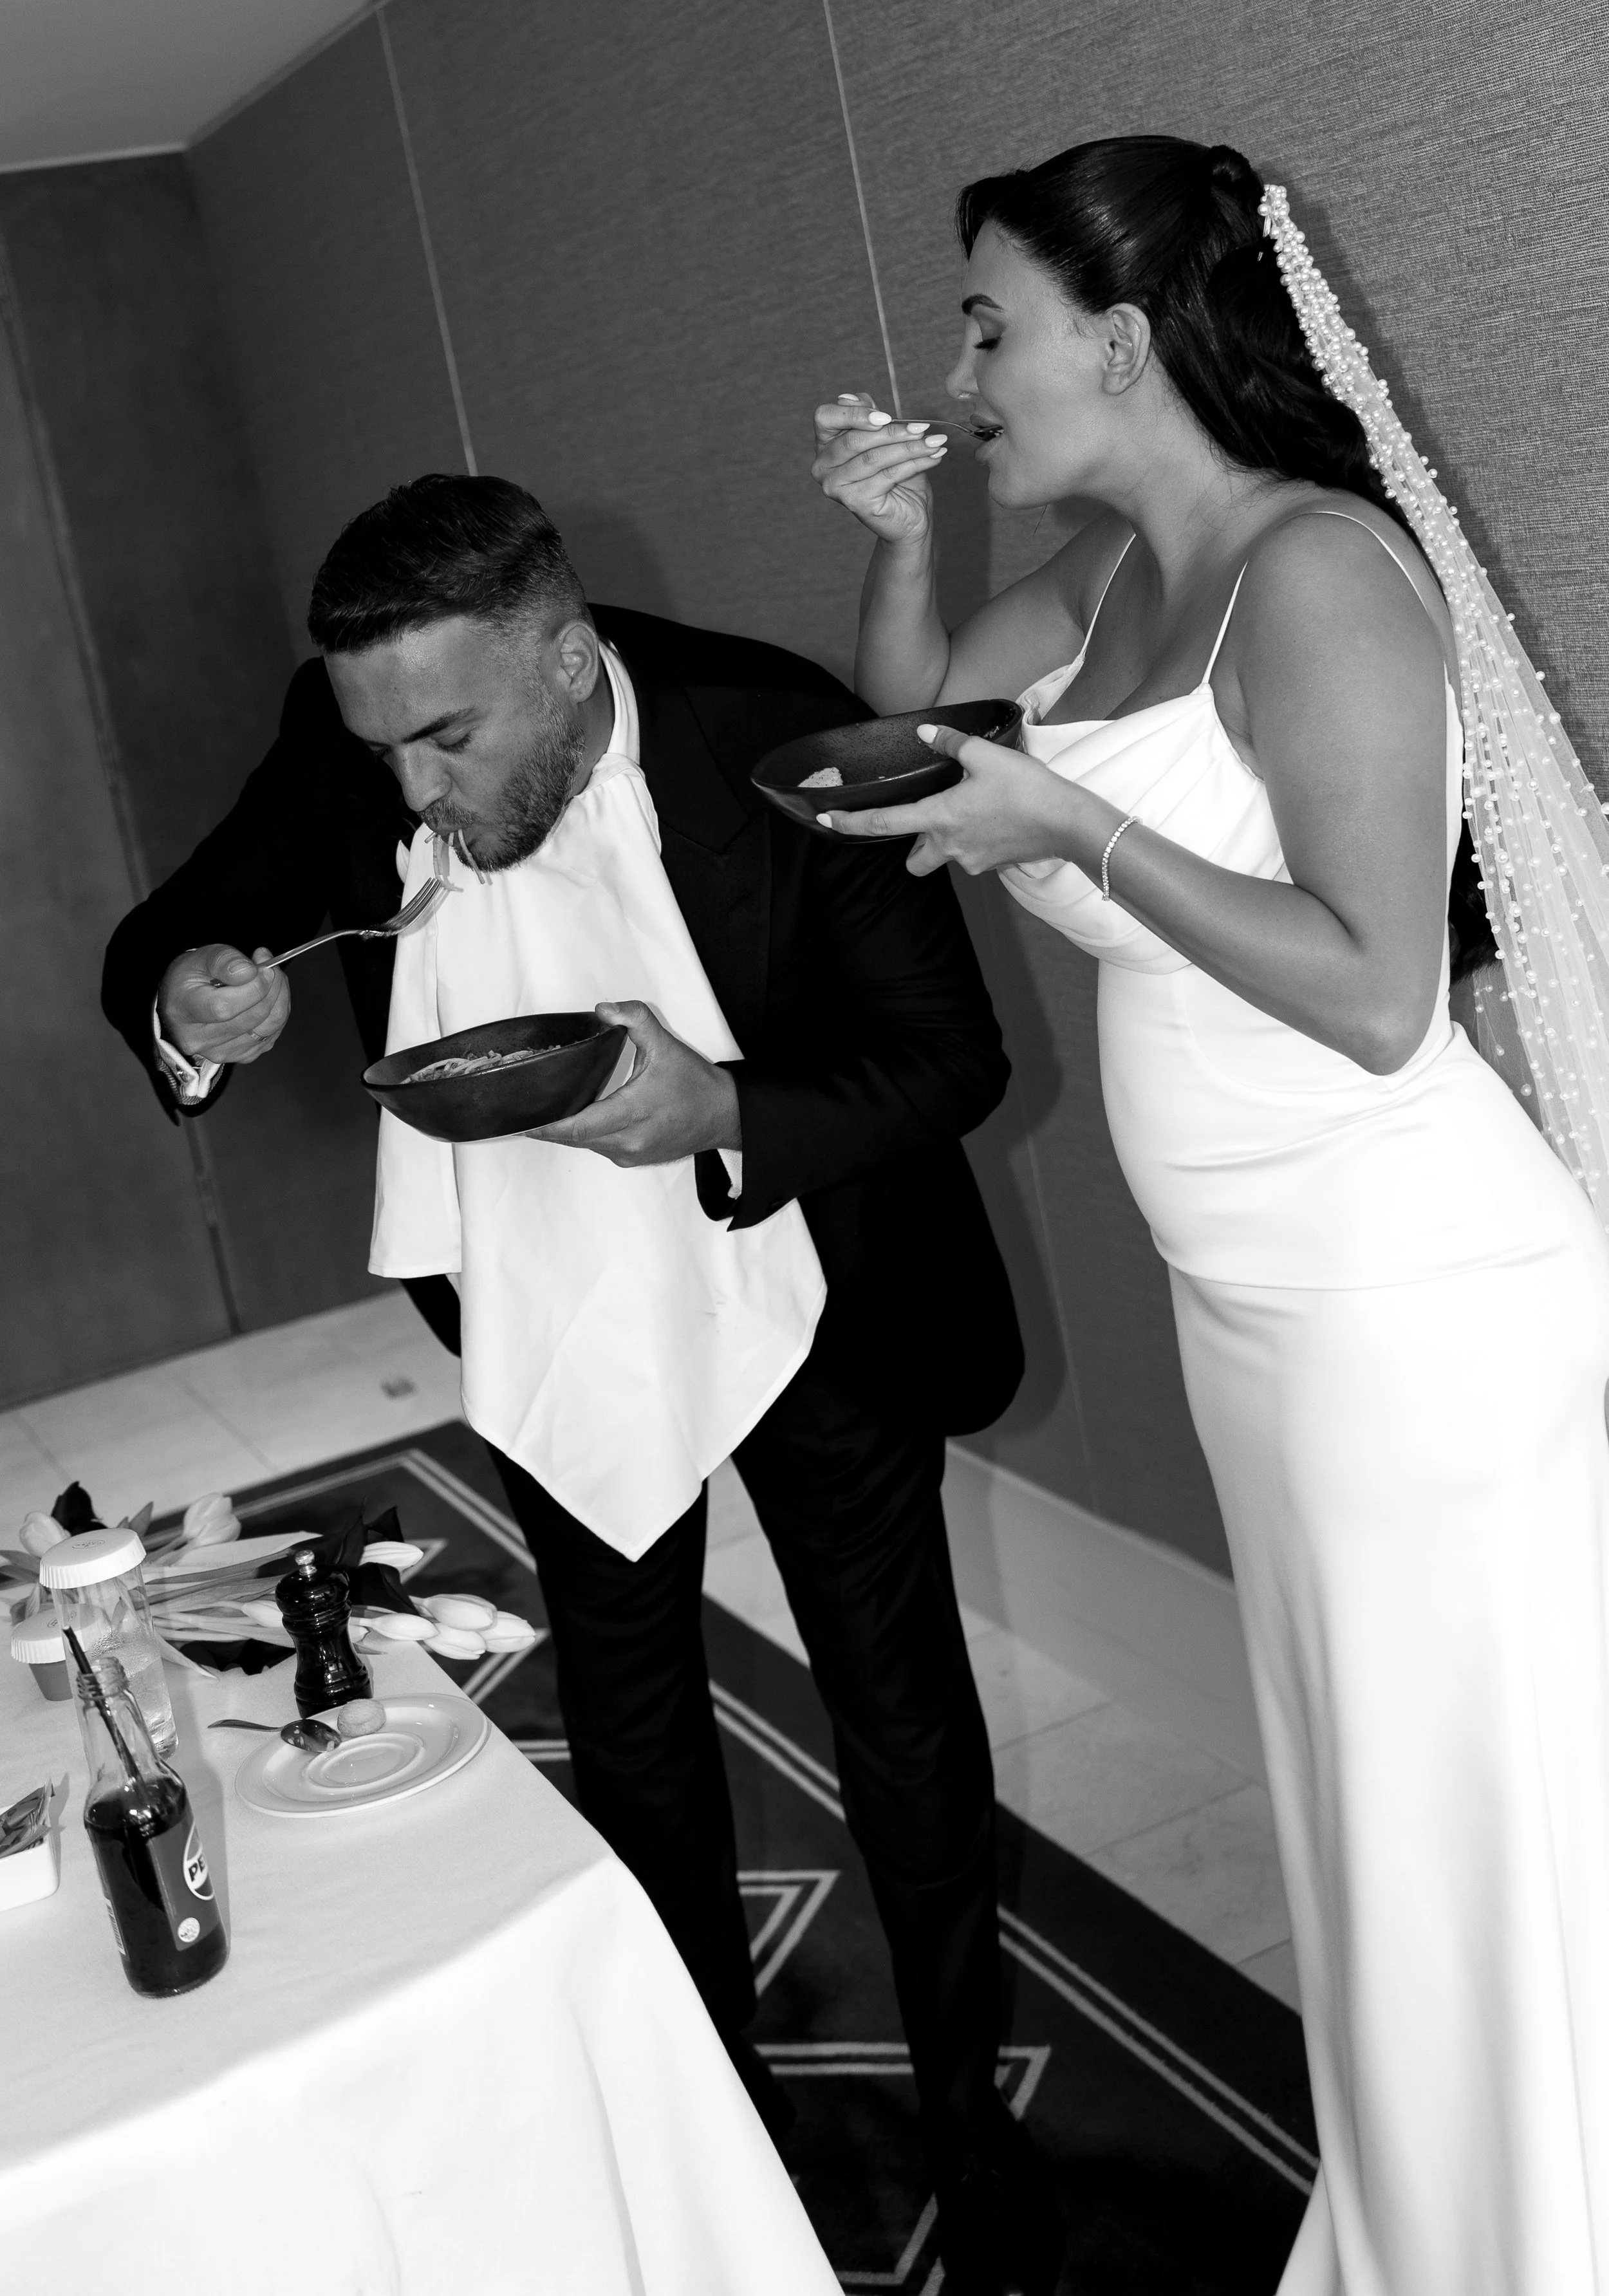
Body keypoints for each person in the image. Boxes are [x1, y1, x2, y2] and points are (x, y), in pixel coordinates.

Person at [101, 474, 1065, 2296]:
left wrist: (719, 1108)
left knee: (904, 1719)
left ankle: (968, 2119)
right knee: (628, 1724)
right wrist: (199, 995)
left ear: (561, 653)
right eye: (382, 746)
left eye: (447, 739)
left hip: (803, 1277)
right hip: (549, 1299)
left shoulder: (769, 732)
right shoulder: (358, 735)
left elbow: (948, 1056)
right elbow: (170, 937)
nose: (410, 793)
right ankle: (702, 2110)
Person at [809, 135, 1609, 2296]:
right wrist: (906, 538)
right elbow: (910, 728)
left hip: (1412, 1310)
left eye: (991, 321)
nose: (962, 363)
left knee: (1464, 1834)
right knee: (1362, 1819)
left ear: (1128, 337)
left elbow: (1368, 988)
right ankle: (1430, 2227)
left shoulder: (1314, 570)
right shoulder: (1100, 579)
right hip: (1258, 1312)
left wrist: (1070, 819)